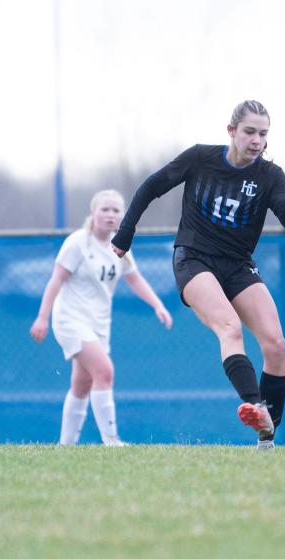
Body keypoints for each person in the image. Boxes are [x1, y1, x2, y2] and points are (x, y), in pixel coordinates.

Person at [111, 100, 285, 451]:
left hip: (237, 263)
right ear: (231, 131)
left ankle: (266, 435)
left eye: (263, 134)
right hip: (194, 257)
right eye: (249, 132)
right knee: (229, 328)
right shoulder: (201, 158)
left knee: (276, 345)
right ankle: (257, 405)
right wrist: (126, 233)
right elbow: (151, 187)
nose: (256, 140)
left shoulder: (270, 176)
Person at [30, 189, 173, 446]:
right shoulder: (77, 243)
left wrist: (157, 305)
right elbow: (55, 281)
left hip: (99, 323)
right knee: (105, 371)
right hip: (71, 320)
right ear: (92, 213)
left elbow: (135, 279)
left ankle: (66, 446)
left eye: (116, 210)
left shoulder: (120, 246)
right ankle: (111, 440)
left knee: (82, 383)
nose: (110, 215)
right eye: (104, 209)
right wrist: (42, 317)